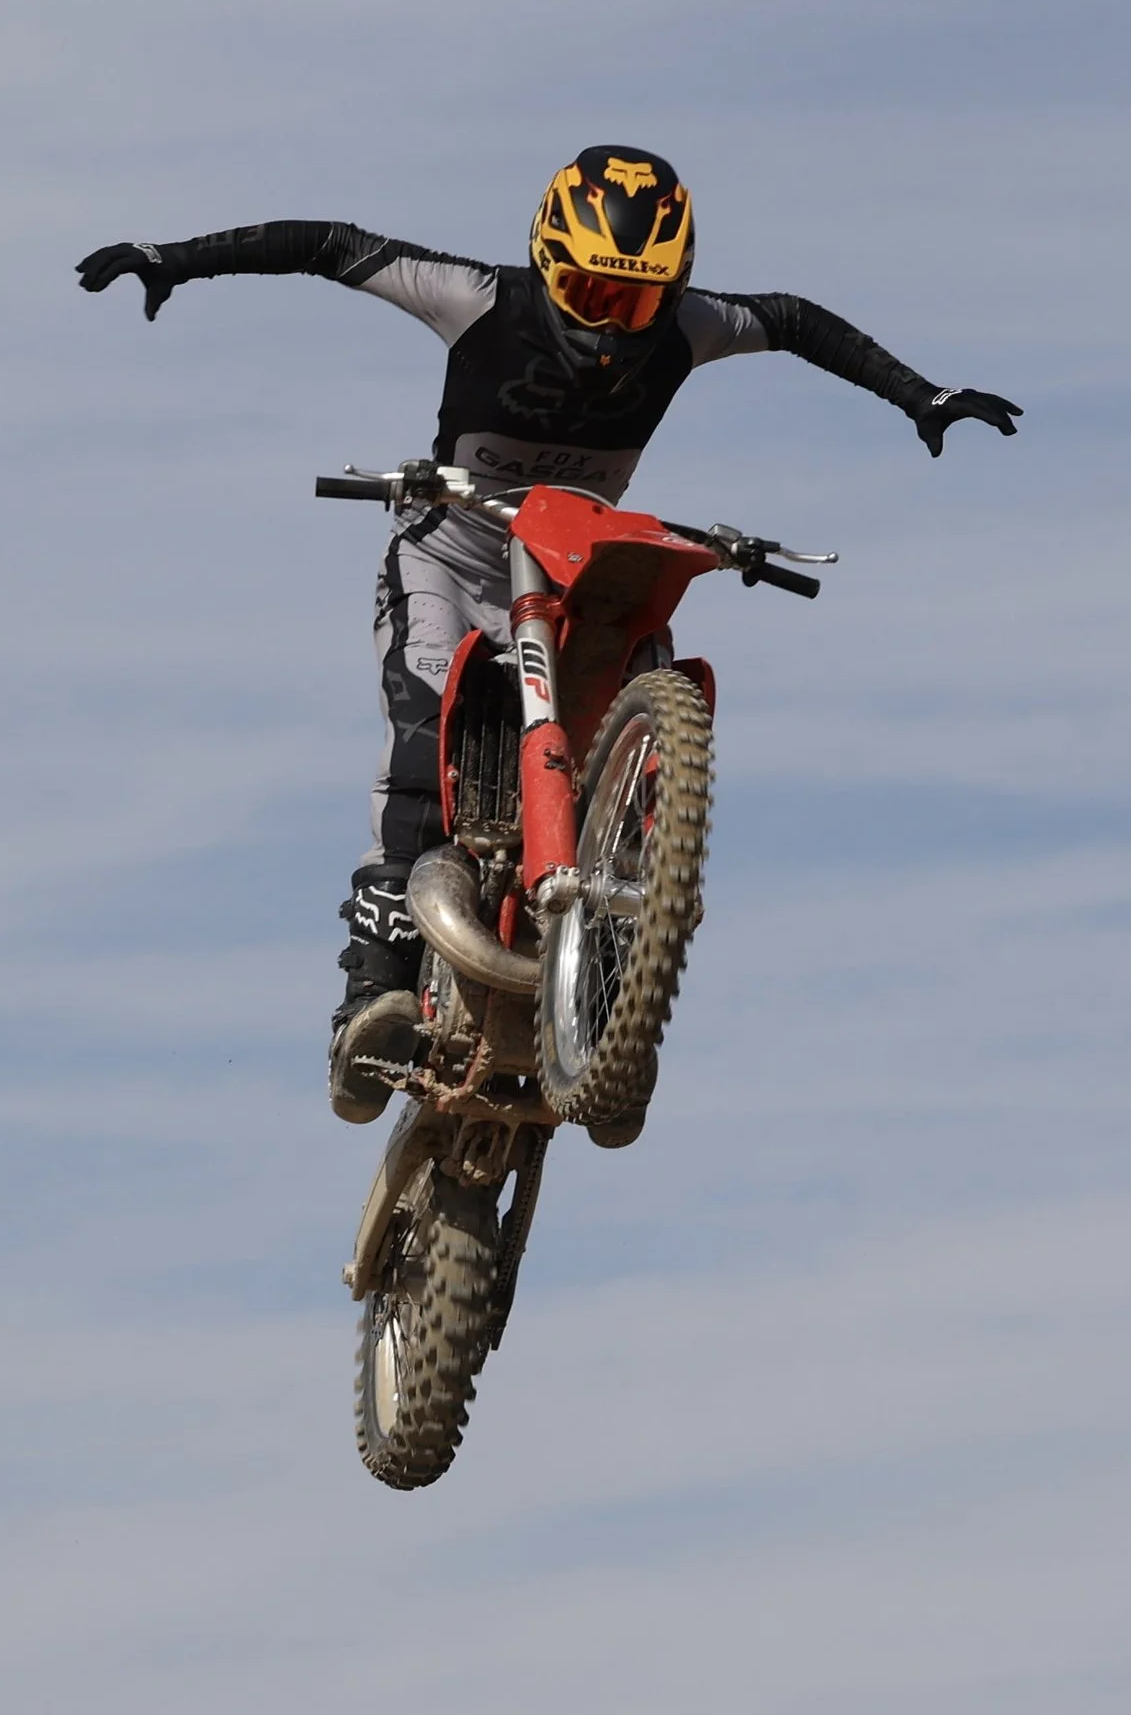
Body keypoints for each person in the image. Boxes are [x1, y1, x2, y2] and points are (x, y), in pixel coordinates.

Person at [78, 151, 1020, 1121]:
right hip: (451, 556)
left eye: (635, 299)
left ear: (674, 292)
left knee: (649, 721)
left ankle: (610, 995)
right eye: (586, 288)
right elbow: (331, 247)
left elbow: (788, 318)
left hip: (574, 575)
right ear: (545, 258)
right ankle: (374, 992)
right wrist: (173, 258)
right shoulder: (479, 299)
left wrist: (922, 395)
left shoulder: (687, 331)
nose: (610, 319)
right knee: (417, 747)